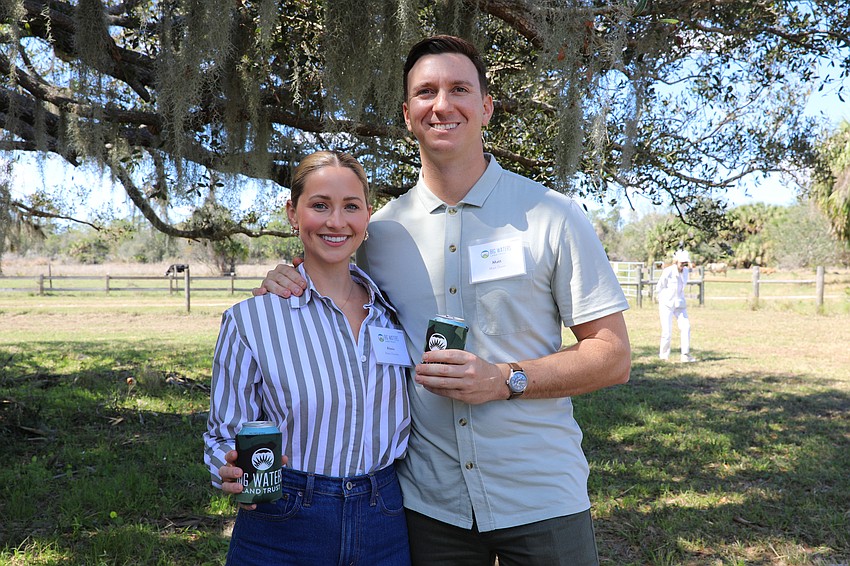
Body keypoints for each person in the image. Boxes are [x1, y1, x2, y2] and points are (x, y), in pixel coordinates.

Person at [255, 36, 631, 566]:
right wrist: (284, 278)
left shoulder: (554, 216)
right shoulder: (378, 234)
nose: (442, 104)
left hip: (542, 498)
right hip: (429, 509)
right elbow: (326, 281)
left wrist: (504, 379)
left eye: (459, 89)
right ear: (407, 113)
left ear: (486, 107)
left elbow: (612, 356)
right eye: (426, 92)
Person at [204, 151, 412, 566]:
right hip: (283, 521)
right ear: (293, 214)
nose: (336, 221)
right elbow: (223, 434)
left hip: (384, 520)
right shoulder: (252, 320)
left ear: (367, 216)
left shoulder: (393, 313)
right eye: (320, 205)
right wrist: (227, 468)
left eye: (350, 206)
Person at [656, 249, 696, 362]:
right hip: (666, 303)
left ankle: (685, 354)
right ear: (676, 261)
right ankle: (664, 356)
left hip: (680, 304)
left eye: (685, 263)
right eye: (681, 263)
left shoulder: (686, 272)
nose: (683, 265)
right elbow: (660, 286)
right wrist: (661, 299)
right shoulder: (668, 271)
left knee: (686, 327)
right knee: (667, 332)